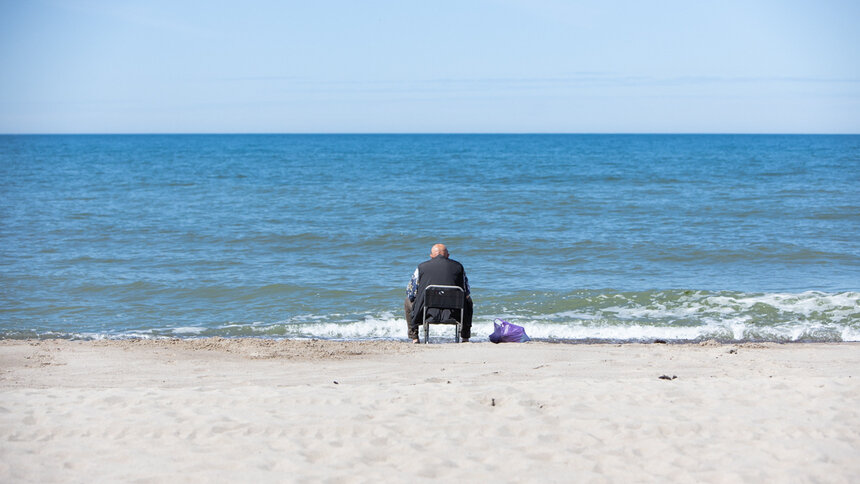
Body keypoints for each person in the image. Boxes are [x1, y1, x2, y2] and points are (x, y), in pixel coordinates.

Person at [404, 243, 473, 343]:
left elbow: (411, 292)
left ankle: (414, 337)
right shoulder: (458, 267)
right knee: (469, 301)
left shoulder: (421, 267)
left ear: (431, 256)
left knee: (408, 301)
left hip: (426, 313)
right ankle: (465, 337)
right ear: (448, 255)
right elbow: (466, 292)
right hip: (454, 313)